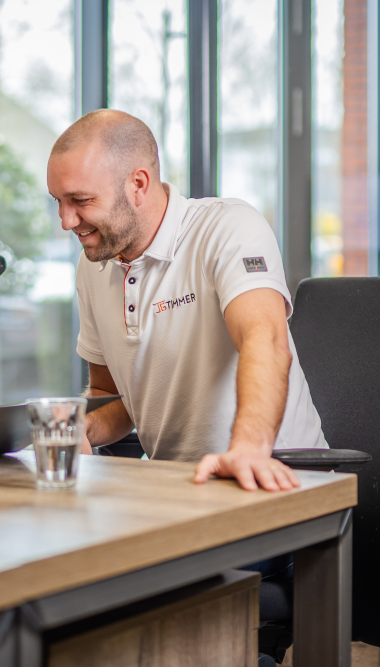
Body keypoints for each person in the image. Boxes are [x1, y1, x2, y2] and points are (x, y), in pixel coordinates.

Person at [46, 110, 327, 492]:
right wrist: (78, 427)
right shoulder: (94, 263)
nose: (66, 221)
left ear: (138, 184)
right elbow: (112, 396)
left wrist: (248, 449)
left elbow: (266, 341)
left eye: (80, 200)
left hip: (274, 482)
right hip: (177, 487)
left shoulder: (228, 228)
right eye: (58, 202)